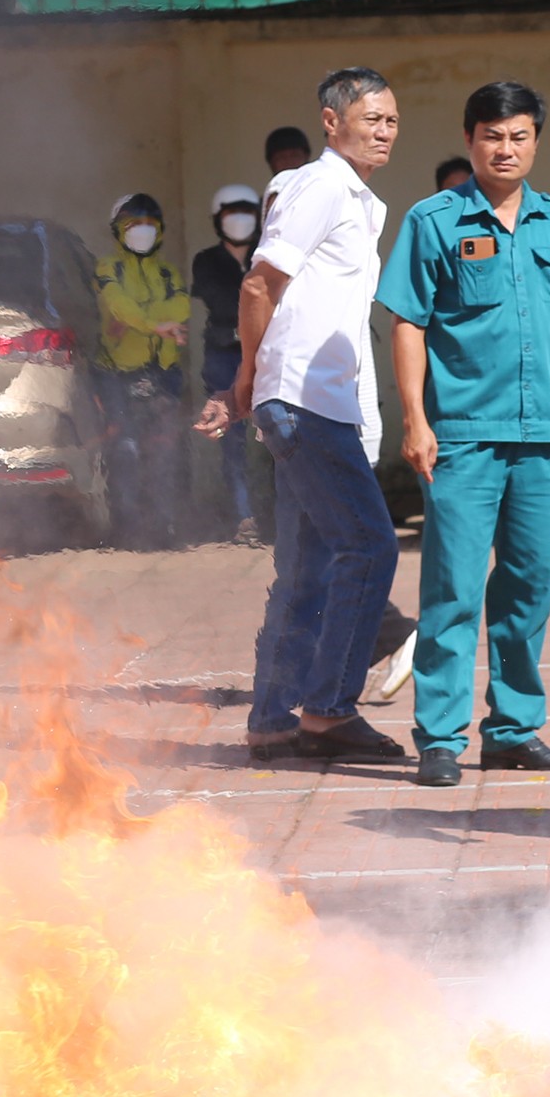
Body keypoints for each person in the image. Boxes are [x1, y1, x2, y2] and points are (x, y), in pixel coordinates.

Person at [382, 80, 550, 786]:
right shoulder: (433, 221)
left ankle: (514, 729)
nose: (505, 148)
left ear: (535, 142)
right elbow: (407, 323)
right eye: (492, 135)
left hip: (545, 434)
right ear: (469, 140)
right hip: (463, 437)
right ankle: (440, 738)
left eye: (518, 136)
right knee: (452, 586)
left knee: (528, 586)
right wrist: (416, 419)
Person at [199, 68, 408, 767]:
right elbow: (261, 281)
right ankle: (325, 710)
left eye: (391, 121)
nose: (383, 131)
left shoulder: (354, 197)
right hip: (302, 401)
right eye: (370, 118)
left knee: (308, 567)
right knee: (370, 548)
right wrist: (249, 379)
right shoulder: (319, 186)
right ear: (331, 120)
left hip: (318, 401)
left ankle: (270, 719)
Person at [95, 191, 190, 548]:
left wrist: (140, 319)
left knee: (164, 450)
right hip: (117, 373)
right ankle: (128, 527)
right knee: (126, 449)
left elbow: (180, 307)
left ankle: (164, 525)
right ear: (117, 230)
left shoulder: (168, 273)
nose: (142, 232)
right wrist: (154, 323)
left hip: (162, 372)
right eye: (133, 225)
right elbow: (117, 305)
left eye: (150, 225)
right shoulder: (108, 268)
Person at [192, 183, 267, 543]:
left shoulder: (268, 255)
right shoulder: (205, 261)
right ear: (217, 219)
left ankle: (282, 514)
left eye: (247, 212)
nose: (239, 220)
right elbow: (223, 304)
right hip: (223, 357)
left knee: (277, 433)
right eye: (230, 212)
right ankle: (244, 516)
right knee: (232, 438)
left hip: (264, 355)